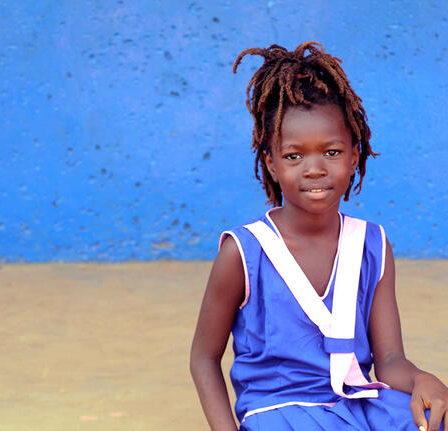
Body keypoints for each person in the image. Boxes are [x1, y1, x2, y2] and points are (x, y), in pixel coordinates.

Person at [190, 41, 448, 431]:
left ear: (354, 156)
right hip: (279, 413)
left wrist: (421, 380)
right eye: (294, 156)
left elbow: (390, 359)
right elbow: (204, 358)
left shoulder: (371, 244)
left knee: (434, 417)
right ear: (271, 164)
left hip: (357, 405)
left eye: (331, 152)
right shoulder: (243, 252)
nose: (314, 169)